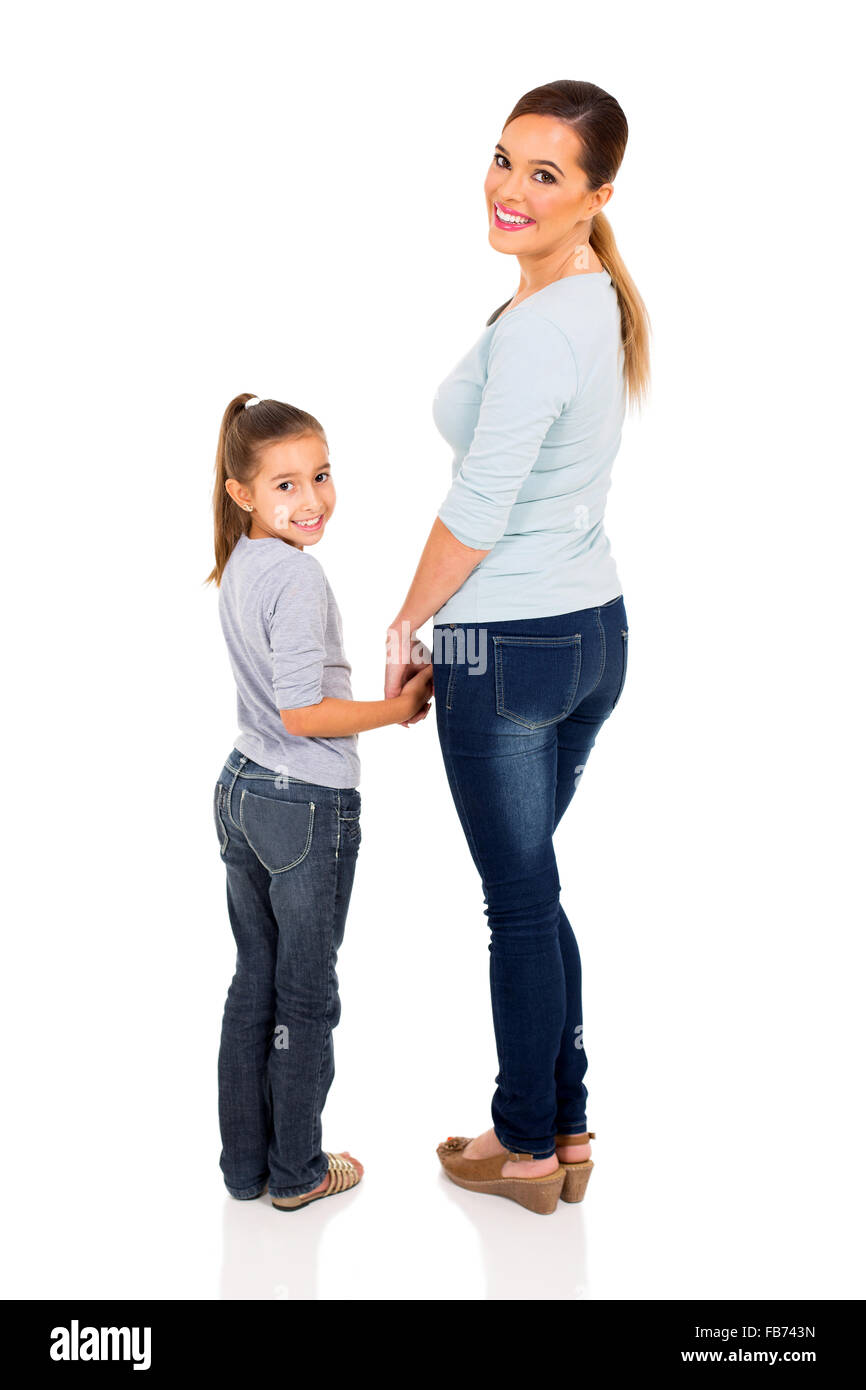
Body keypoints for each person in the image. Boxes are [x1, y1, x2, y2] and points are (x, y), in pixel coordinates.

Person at [385, 80, 651, 1214]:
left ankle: (526, 1145)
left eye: (545, 174)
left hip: (506, 649)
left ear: (597, 195)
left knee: (519, 903)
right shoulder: (586, 296)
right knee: (534, 889)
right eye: (504, 159)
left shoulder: (545, 327)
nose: (509, 189)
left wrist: (407, 623)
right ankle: (566, 1126)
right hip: (591, 634)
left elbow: (479, 507)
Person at [205, 394, 433, 1212]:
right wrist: (398, 709)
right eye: (286, 485)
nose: (312, 500)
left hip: (244, 787)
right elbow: (304, 713)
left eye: (321, 476)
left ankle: (247, 1170)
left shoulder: (241, 561)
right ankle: (298, 1172)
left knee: (254, 985)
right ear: (242, 494)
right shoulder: (295, 576)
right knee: (304, 997)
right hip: (303, 803)